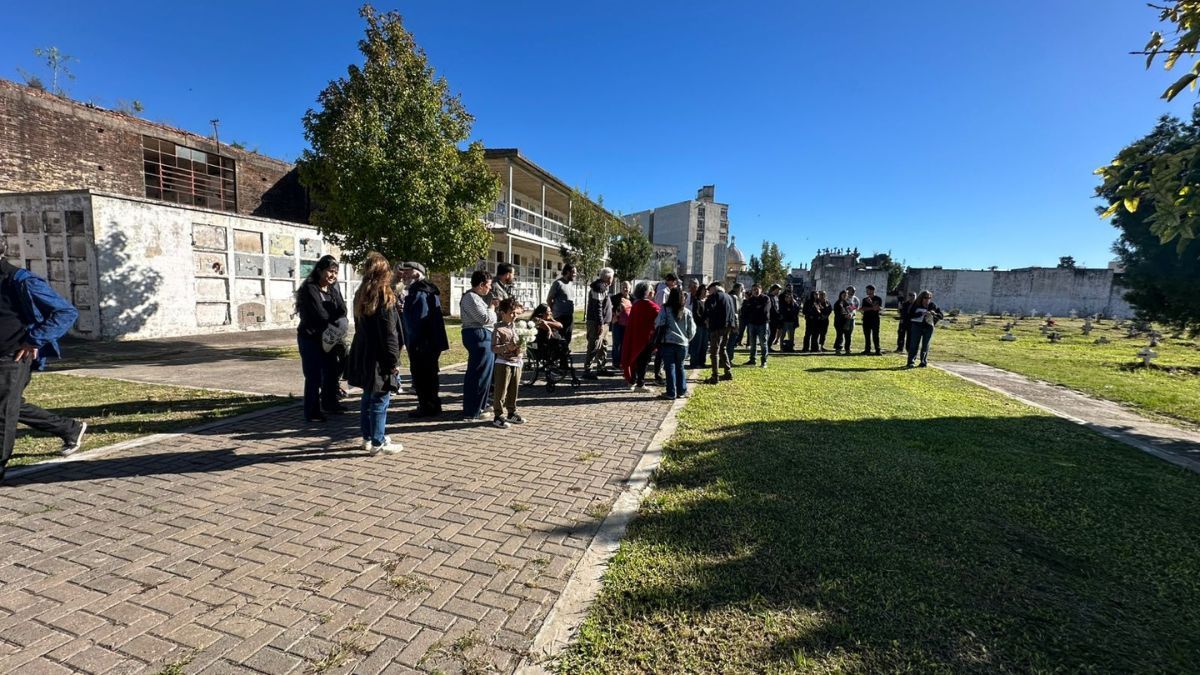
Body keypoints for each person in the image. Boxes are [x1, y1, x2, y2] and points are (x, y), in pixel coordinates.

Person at [0, 241, 83, 481]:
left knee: (4, 412)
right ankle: (69, 428)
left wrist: (34, 340)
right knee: (11, 405)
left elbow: (65, 312)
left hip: (13, 355)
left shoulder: (20, 280)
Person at [346, 252, 403, 455]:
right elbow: (390, 334)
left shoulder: (361, 294)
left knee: (368, 396)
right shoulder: (384, 295)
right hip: (379, 355)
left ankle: (368, 437)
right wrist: (393, 361)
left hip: (363, 351)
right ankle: (378, 441)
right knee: (380, 397)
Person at [295, 255, 348, 422]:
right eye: (330, 271)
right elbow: (321, 314)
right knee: (313, 375)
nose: (333, 275)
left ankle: (330, 403)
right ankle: (311, 411)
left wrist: (335, 295)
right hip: (311, 338)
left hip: (330, 337)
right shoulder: (310, 288)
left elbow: (343, 310)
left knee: (331, 371)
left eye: (335, 272)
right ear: (320, 270)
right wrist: (334, 318)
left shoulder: (332, 289)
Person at [400, 262, 449, 417]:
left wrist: (413, 343)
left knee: (422, 377)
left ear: (416, 273)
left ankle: (426, 406)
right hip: (431, 342)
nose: (404, 275)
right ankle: (433, 404)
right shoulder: (428, 289)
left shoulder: (419, 291)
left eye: (407, 272)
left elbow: (418, 320)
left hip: (422, 343)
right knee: (431, 375)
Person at [459, 270, 496, 421]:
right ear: (481, 284)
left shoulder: (477, 298)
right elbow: (485, 318)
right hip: (478, 336)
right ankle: (473, 410)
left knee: (485, 374)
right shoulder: (471, 297)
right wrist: (492, 308)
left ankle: (482, 403)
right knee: (479, 374)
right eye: (489, 285)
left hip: (483, 336)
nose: (490, 289)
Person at [491, 297, 527, 428]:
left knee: (514, 389)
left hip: (516, 363)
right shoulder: (498, 329)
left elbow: (521, 343)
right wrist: (507, 347)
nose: (514, 316)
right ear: (503, 313)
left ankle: (511, 412)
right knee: (501, 391)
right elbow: (494, 348)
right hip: (503, 363)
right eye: (511, 313)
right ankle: (498, 415)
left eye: (516, 313)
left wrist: (521, 350)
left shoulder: (516, 328)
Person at [655, 287, 697, 400]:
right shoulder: (687, 311)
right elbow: (692, 330)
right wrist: (687, 339)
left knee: (670, 368)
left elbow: (658, 323)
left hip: (668, 342)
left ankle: (671, 392)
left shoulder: (664, 309)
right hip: (682, 344)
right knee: (680, 367)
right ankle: (681, 391)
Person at [621, 282, 661, 390]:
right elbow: (660, 319)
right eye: (651, 290)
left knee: (635, 359)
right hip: (646, 338)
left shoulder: (636, 305)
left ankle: (632, 381)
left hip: (635, 336)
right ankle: (640, 383)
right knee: (644, 361)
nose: (653, 292)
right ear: (647, 292)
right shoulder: (651, 306)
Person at [582, 267, 614, 379]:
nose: (612, 280)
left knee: (603, 346)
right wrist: (600, 324)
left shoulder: (604, 286)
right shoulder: (599, 288)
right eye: (612, 277)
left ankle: (601, 367)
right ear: (608, 277)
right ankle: (587, 370)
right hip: (596, 323)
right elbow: (598, 307)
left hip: (604, 323)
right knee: (594, 345)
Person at [703, 281, 736, 384]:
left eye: (709, 289)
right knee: (723, 349)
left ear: (714, 288)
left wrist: (707, 317)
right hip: (728, 326)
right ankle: (728, 372)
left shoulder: (715, 296)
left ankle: (715, 376)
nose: (708, 292)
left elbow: (709, 308)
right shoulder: (728, 296)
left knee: (714, 352)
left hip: (717, 327)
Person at [906, 290, 943, 368]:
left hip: (929, 326)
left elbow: (941, 316)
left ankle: (923, 362)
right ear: (921, 298)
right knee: (914, 344)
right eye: (926, 298)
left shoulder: (932, 305)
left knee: (925, 345)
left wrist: (934, 313)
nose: (927, 299)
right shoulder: (916, 305)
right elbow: (909, 315)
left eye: (929, 298)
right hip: (917, 326)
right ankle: (911, 362)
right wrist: (921, 313)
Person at [742, 284, 771, 368]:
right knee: (752, 343)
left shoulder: (766, 299)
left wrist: (754, 308)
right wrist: (756, 308)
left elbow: (764, 310)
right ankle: (752, 360)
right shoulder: (750, 299)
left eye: (757, 289)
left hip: (762, 323)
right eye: (754, 289)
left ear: (761, 289)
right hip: (752, 324)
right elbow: (746, 310)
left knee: (763, 343)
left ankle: (764, 361)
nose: (755, 291)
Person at [547, 264, 576, 343]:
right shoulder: (558, 283)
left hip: (569, 315)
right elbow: (549, 299)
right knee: (560, 338)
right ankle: (559, 354)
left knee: (568, 338)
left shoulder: (570, 284)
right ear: (567, 272)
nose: (575, 275)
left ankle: (566, 354)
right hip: (559, 316)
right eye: (573, 272)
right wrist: (552, 312)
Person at [610, 281, 632, 369]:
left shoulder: (633, 298)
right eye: (623, 287)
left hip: (629, 325)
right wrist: (617, 312)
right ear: (620, 288)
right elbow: (610, 310)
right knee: (617, 344)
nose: (625, 289)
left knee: (626, 344)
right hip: (618, 324)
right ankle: (615, 362)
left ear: (630, 288)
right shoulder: (615, 298)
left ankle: (624, 362)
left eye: (627, 287)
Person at [687, 280, 708, 369]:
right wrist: (704, 321)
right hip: (698, 326)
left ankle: (701, 362)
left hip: (705, 327)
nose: (706, 291)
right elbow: (696, 314)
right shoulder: (697, 301)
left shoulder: (705, 301)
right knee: (697, 345)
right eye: (704, 290)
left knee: (704, 345)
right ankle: (694, 362)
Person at [859, 284, 883, 355]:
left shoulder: (878, 299)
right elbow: (863, 309)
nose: (866, 291)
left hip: (875, 319)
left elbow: (878, 308)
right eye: (866, 290)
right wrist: (872, 308)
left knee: (875, 335)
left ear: (872, 290)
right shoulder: (864, 299)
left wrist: (871, 303)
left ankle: (877, 350)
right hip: (866, 319)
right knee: (867, 335)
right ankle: (867, 349)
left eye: (868, 290)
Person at [726, 282, 744, 366]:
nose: (743, 291)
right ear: (737, 289)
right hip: (732, 323)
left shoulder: (729, 295)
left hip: (729, 323)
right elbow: (735, 313)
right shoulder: (734, 297)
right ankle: (728, 359)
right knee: (731, 342)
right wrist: (736, 325)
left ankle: (727, 359)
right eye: (741, 289)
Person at [833, 289, 854, 355]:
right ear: (840, 295)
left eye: (846, 295)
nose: (845, 296)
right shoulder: (838, 303)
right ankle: (838, 349)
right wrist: (845, 316)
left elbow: (852, 309)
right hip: (839, 322)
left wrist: (851, 314)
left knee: (848, 336)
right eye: (844, 294)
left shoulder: (846, 302)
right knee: (840, 336)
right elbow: (838, 313)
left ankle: (847, 349)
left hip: (846, 322)